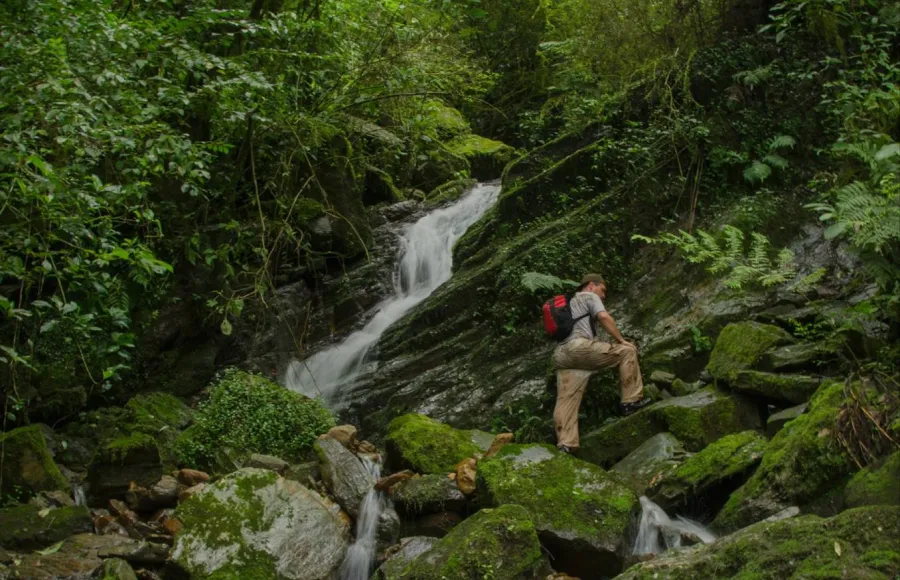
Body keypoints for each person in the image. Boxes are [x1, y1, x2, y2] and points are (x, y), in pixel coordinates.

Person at [552, 273, 651, 454]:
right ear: (591, 285)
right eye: (602, 290)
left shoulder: (570, 303)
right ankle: (631, 401)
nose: (603, 295)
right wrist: (621, 340)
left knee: (566, 398)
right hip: (579, 347)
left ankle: (566, 444)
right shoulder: (589, 296)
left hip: (562, 355)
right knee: (627, 351)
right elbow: (604, 317)